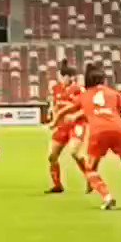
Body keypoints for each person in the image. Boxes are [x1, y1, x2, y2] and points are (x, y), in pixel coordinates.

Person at [69, 61, 121, 210]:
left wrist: (64, 117)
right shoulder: (113, 93)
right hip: (118, 128)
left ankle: (107, 196)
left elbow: (70, 108)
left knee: (91, 169)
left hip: (98, 132)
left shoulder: (84, 96)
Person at [44, 59, 87, 194]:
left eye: (63, 76)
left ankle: (91, 177)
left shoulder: (79, 90)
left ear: (70, 77)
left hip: (77, 124)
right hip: (62, 126)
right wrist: (54, 119)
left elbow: (87, 107)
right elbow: (56, 106)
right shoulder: (56, 89)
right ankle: (57, 185)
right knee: (52, 156)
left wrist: (75, 116)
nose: (61, 79)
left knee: (75, 153)